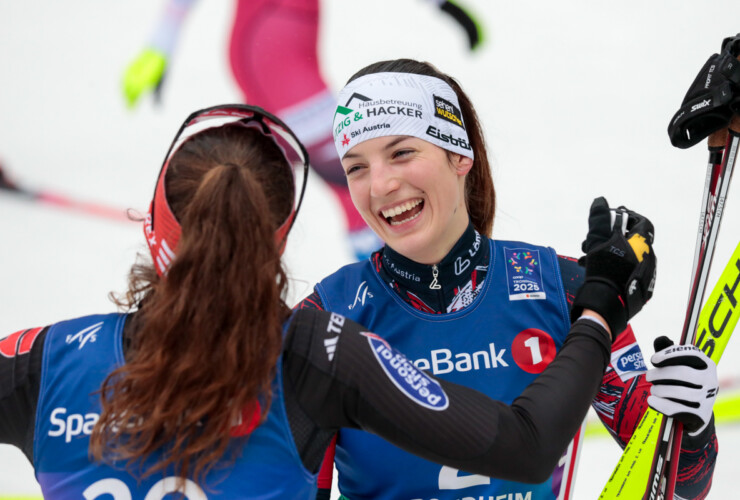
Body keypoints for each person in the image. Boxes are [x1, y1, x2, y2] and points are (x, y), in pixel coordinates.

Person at [0, 104, 657, 498]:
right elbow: (525, 446)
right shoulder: (317, 354)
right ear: (278, 241)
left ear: (151, 225)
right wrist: (598, 307)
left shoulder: (42, 362)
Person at [297, 60, 720, 500]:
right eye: (356, 167)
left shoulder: (566, 290)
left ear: (458, 155)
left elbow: (676, 483)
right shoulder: (329, 318)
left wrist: (691, 422)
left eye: (401, 153)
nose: (380, 185)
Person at [121, 0, 484, 261]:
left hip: (274, 53)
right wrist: (159, 46)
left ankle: (200, 278)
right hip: (276, 62)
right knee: (356, 179)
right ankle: (395, 302)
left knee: (247, 180)